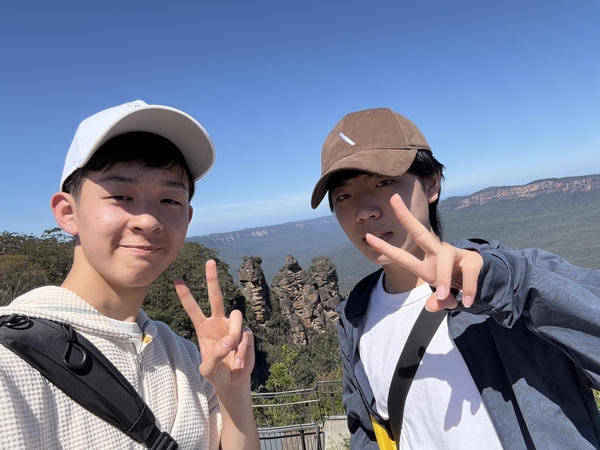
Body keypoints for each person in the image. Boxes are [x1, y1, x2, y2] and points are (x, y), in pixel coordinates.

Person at [311, 107, 600, 449]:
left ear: (432, 182)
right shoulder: (354, 321)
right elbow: (368, 431)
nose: (363, 211)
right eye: (343, 196)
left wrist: (501, 285)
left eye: (383, 182)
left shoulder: (520, 277)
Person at [0, 100, 260, 449]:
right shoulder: (10, 362)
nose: (148, 220)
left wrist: (234, 393)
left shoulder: (188, 358)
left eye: (170, 200)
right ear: (68, 213)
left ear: (187, 218)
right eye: (122, 196)